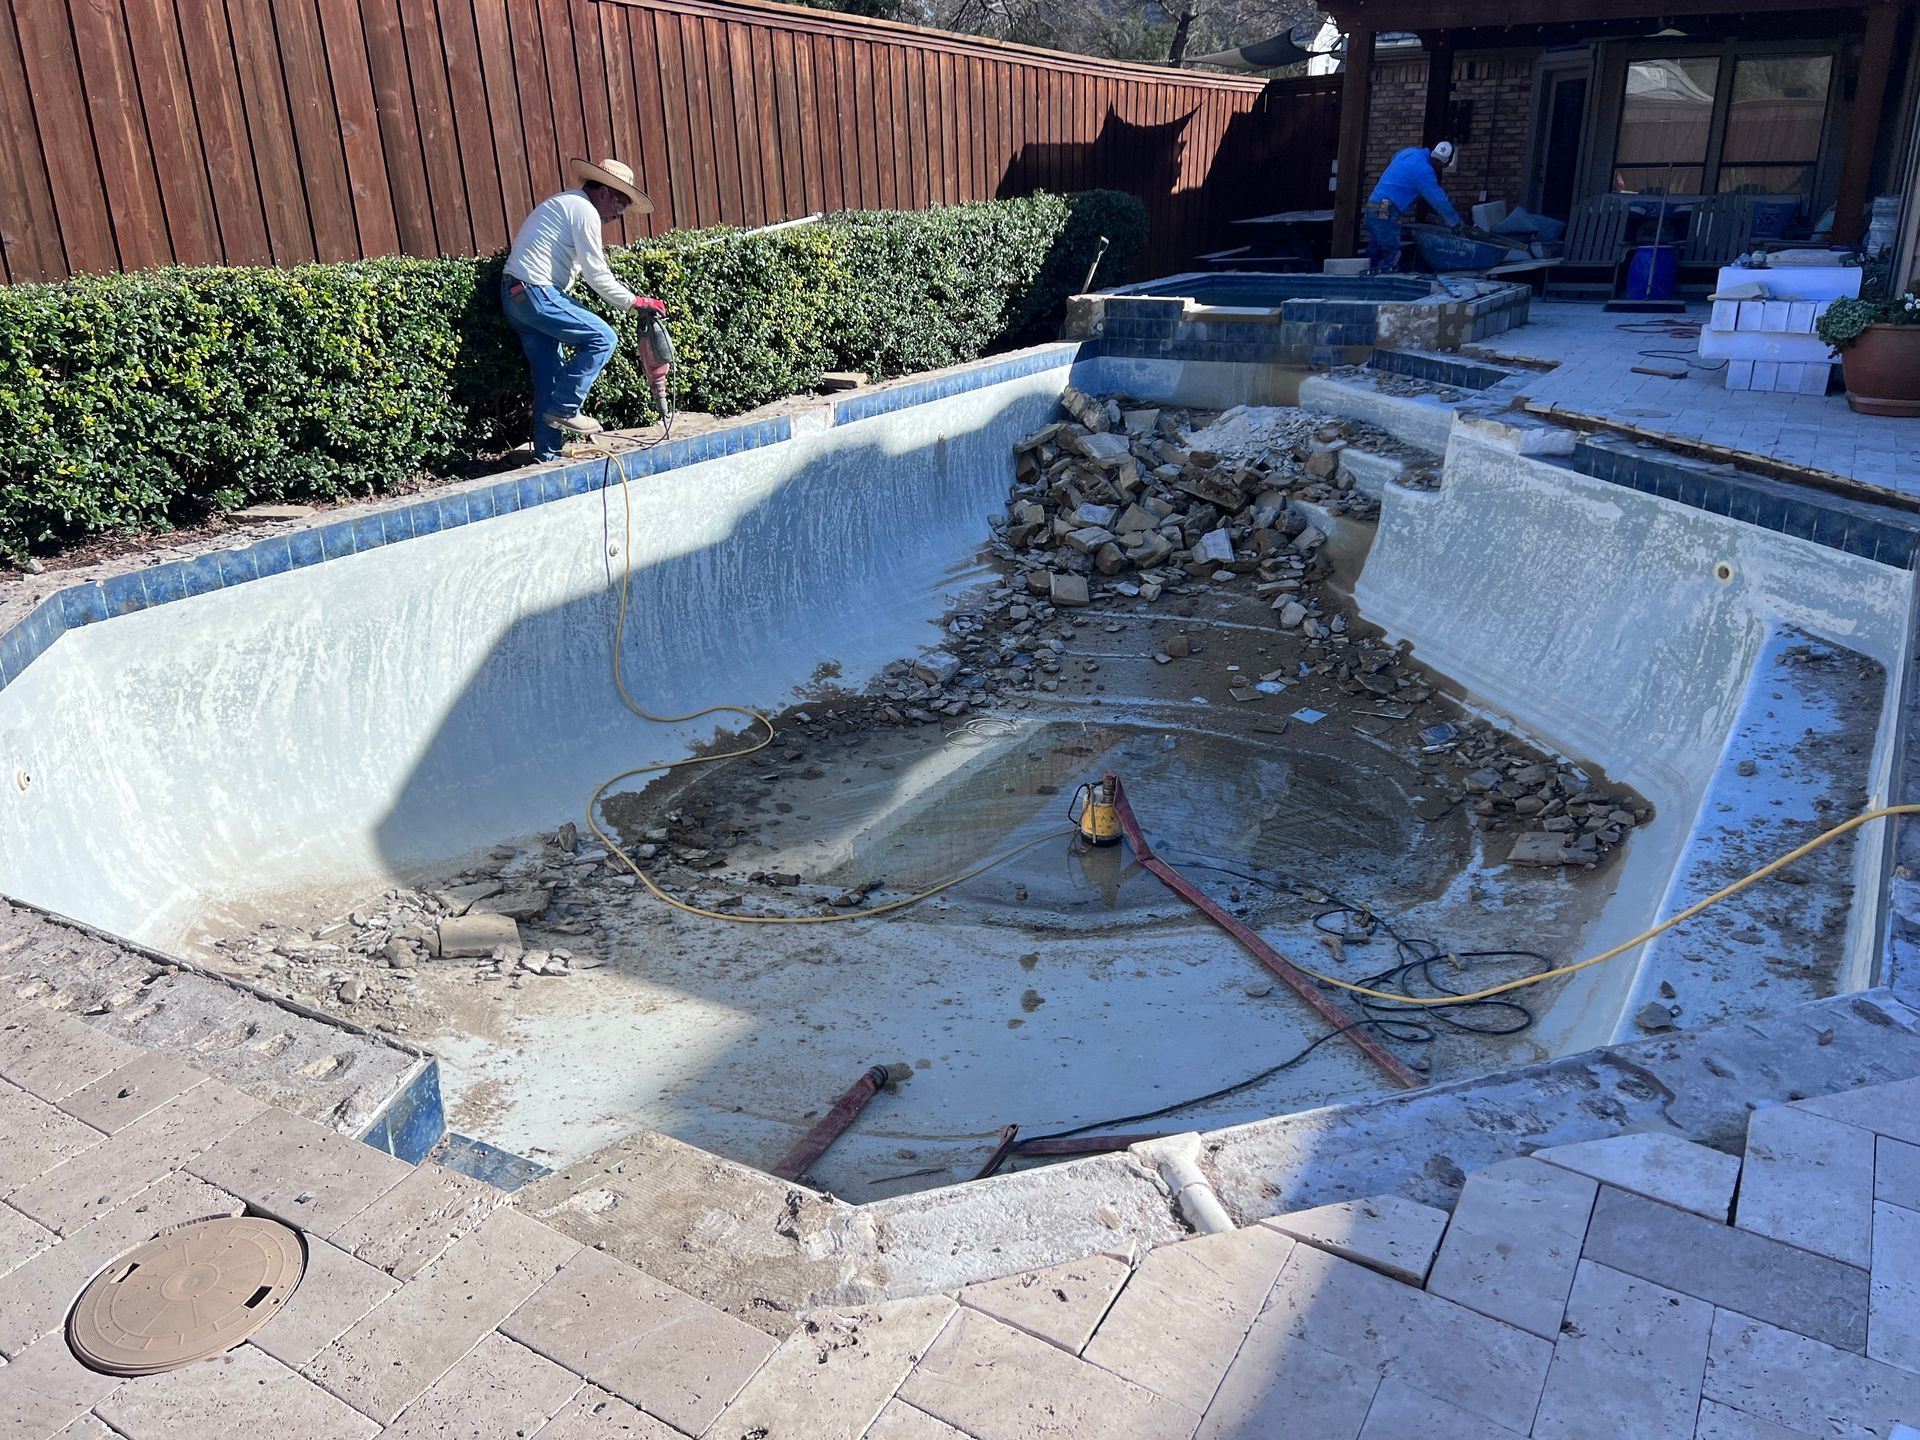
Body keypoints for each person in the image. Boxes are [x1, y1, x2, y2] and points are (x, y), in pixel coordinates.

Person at [501, 158, 668, 462]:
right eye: (620, 201)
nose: (620, 213)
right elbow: (597, 274)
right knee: (603, 338)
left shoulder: (569, 205)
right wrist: (636, 302)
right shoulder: (584, 210)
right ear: (604, 192)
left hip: (516, 296)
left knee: (549, 375)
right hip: (535, 290)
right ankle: (566, 409)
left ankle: (547, 456)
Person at [1365, 141, 1464, 274]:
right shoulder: (1424, 170)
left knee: (1375, 249)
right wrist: (1455, 222)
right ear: (1440, 162)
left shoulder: (1409, 152)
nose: (1439, 169)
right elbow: (1438, 200)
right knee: (1390, 251)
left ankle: (1368, 280)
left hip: (1374, 205)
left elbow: (1396, 161)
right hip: (1386, 209)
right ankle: (1383, 284)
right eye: (1442, 166)